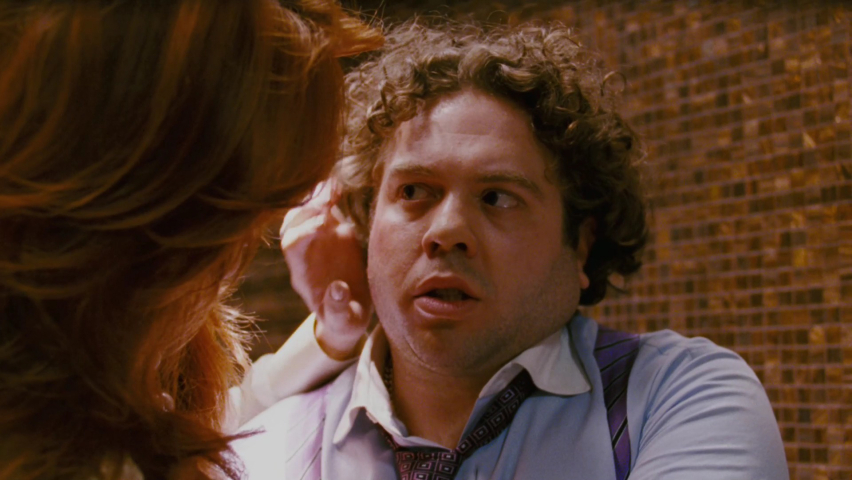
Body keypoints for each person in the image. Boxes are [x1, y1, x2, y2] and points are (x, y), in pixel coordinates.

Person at [234, 21, 790, 479]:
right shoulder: (269, 448)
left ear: (581, 245)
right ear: (365, 224)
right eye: (414, 192)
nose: (447, 231)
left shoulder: (678, 399)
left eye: (497, 197)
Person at [0, 1, 380, 479]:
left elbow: (207, 429)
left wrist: (330, 337)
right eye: (245, 222)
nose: (234, 265)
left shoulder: (104, 359)